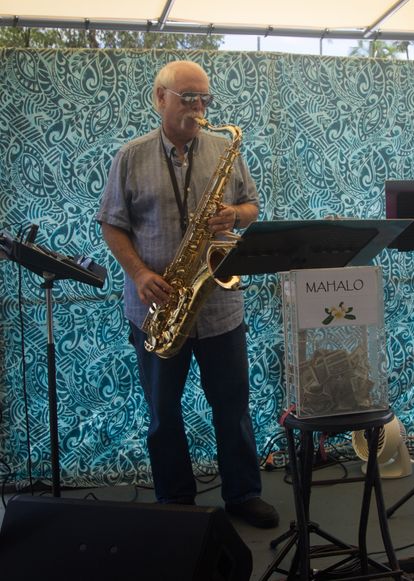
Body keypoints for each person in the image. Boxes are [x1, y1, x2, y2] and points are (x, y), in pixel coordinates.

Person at [97, 60, 279, 528]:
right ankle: (175, 501)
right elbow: (111, 224)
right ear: (160, 98)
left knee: (233, 408)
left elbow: (253, 206)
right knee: (163, 413)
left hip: (219, 306)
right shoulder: (131, 156)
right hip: (157, 306)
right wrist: (139, 274)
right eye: (188, 98)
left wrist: (234, 215)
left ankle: (243, 494)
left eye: (205, 98)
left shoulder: (224, 148)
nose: (199, 107)